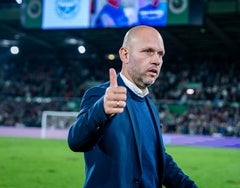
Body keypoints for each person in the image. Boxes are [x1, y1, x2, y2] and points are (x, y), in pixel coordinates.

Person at [68, 25, 198, 188]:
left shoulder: (150, 106)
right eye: (148, 51)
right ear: (125, 54)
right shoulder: (100, 95)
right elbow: (76, 141)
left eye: (160, 54)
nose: (157, 60)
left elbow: (158, 158)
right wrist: (101, 109)